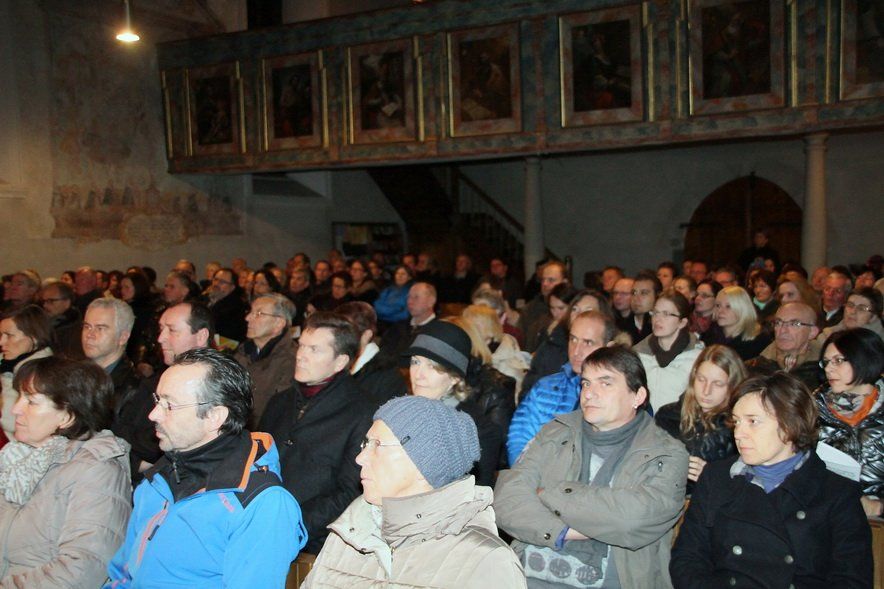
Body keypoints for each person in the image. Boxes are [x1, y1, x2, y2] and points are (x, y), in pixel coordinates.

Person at [105, 348, 306, 588]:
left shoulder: (260, 504)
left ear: (215, 416)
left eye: (170, 405)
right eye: (157, 400)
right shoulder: (158, 481)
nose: (153, 414)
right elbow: (122, 575)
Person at [495, 346, 689, 588]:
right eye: (586, 383)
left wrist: (549, 494)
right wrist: (565, 531)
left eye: (605, 383)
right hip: (527, 578)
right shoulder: (556, 431)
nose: (589, 393)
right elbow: (506, 501)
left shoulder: (666, 453)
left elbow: (632, 520)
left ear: (638, 396)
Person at [670, 372, 873, 588]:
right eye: (737, 422)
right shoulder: (717, 478)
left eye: (753, 421)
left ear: (790, 425)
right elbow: (687, 559)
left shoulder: (836, 493)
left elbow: (852, 580)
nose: (738, 433)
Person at [302, 395, 526, 588]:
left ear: (424, 464)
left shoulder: (484, 562)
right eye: (365, 444)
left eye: (377, 445)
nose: (360, 458)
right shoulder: (348, 534)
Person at [0, 356, 131, 587]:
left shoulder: (96, 471)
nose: (15, 409)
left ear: (67, 416)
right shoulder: (15, 459)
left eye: (31, 401)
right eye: (20, 397)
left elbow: (83, 570)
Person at [259, 312, 374, 554]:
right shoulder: (280, 402)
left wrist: (291, 525)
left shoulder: (361, 412)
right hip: (258, 524)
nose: (301, 355)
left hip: (312, 543)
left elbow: (350, 491)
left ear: (340, 362)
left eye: (314, 350)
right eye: (301, 346)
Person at [507, 310, 616, 465]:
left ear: (608, 347)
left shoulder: (620, 395)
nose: (576, 351)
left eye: (588, 343)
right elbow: (519, 439)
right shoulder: (545, 387)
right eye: (573, 339)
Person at [404, 321, 503, 486]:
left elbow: (473, 494)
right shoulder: (399, 412)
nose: (418, 374)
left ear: (455, 378)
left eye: (432, 366)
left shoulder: (478, 434)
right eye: (415, 362)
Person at [654, 345, 746, 489]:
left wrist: (712, 477)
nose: (706, 391)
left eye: (718, 384)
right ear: (693, 378)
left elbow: (747, 488)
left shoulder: (739, 430)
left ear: (733, 386)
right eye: (701, 379)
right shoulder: (667, 416)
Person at [815, 328, 884, 517]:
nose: (828, 369)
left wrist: (878, 507)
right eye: (826, 362)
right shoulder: (811, 410)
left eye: (838, 360)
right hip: (824, 515)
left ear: (865, 359)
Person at [633, 292, 705, 412]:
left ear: (682, 322)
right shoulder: (638, 355)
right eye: (655, 312)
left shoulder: (697, 358)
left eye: (666, 314)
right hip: (645, 421)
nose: (658, 319)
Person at [233, 293, 296, 427]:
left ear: (279, 323)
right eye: (250, 312)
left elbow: (278, 414)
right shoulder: (243, 351)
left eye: (259, 313)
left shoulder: (291, 360)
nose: (247, 318)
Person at [337, 301, 408, 406]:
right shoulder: (335, 363)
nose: (338, 339)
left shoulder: (387, 375)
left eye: (346, 333)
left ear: (366, 335)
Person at [1, 305, 54, 440]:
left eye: (9, 335)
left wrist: (6, 376)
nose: (1, 342)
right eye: (1, 335)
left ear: (33, 337)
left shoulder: (42, 372)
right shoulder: (10, 362)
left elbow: (11, 421)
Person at [746, 302, 824, 390]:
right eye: (778, 323)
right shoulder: (754, 367)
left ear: (812, 332)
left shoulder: (824, 369)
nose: (783, 330)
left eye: (794, 324)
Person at [462, 303, 529, 397]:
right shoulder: (469, 354)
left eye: (473, 327)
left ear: (490, 329)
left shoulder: (509, 365)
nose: (467, 331)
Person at [702, 286, 772, 360]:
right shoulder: (710, 335)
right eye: (718, 305)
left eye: (728, 306)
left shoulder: (759, 341)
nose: (720, 311)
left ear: (742, 309)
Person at [820, 286, 884, 340]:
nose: (852, 312)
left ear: (874, 317)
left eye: (861, 308)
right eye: (850, 305)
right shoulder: (829, 334)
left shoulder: (878, 344)